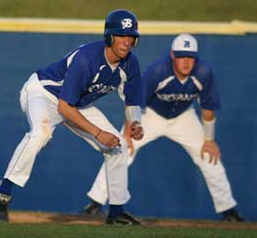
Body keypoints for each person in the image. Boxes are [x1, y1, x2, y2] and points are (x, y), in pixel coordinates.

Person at [0, 9, 144, 225]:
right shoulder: (86, 59)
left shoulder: (130, 63)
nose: (126, 41)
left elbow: (132, 100)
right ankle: (2, 192)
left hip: (75, 103)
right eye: (120, 35)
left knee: (119, 146)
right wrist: (98, 133)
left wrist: (135, 122)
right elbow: (64, 107)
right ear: (109, 36)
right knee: (41, 133)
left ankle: (116, 212)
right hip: (43, 92)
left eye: (130, 36)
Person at [82, 33, 244, 222]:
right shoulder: (158, 70)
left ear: (196, 59)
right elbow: (134, 102)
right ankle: (95, 202)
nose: (186, 62)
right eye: (181, 56)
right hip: (151, 115)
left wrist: (209, 140)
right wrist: (128, 133)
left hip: (184, 117)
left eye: (190, 57)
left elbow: (208, 110)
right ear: (172, 55)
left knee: (209, 155)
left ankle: (229, 210)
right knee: (121, 149)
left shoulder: (203, 73)